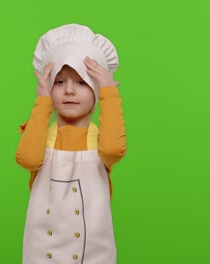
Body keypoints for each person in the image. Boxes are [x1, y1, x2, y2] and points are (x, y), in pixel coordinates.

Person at [15, 23, 126, 264]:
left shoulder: (100, 139)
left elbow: (113, 149)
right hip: (43, 251)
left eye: (82, 82)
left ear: (97, 89)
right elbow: (29, 159)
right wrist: (42, 102)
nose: (69, 91)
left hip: (92, 252)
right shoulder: (42, 135)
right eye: (59, 82)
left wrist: (109, 92)